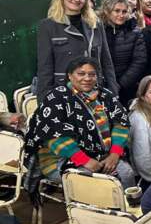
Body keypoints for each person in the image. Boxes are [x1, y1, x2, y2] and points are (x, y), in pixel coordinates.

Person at [24, 57, 133, 187]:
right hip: (62, 159)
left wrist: (115, 153)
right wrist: (83, 160)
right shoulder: (56, 98)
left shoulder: (105, 95)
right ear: (70, 76)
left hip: (104, 155)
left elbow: (121, 122)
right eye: (81, 74)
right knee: (90, 183)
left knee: (126, 174)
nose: (87, 78)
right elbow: (53, 136)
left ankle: (126, 201)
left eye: (92, 74)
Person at [36, 0, 118, 100]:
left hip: (95, 90)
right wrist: (44, 99)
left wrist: (113, 90)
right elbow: (45, 67)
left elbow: (106, 60)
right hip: (64, 92)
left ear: (86, 0)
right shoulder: (48, 26)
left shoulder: (95, 23)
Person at [100, 0, 146, 105]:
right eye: (117, 11)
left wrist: (120, 84)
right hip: (102, 86)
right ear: (107, 11)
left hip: (126, 88)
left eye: (124, 11)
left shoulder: (135, 31)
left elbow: (139, 61)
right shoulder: (97, 30)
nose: (121, 15)